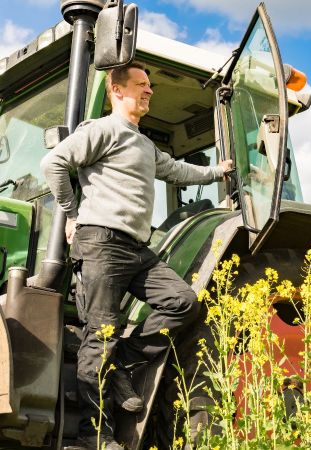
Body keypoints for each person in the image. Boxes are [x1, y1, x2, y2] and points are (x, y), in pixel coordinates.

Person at [41, 61, 233, 450]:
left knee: (183, 302)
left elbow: (178, 171)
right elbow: (53, 163)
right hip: (101, 243)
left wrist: (217, 172)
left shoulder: (145, 145)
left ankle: (123, 361)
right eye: (141, 85)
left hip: (135, 248)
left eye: (149, 86)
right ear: (118, 91)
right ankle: (96, 435)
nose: (149, 91)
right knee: (100, 336)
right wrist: (72, 214)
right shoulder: (102, 131)